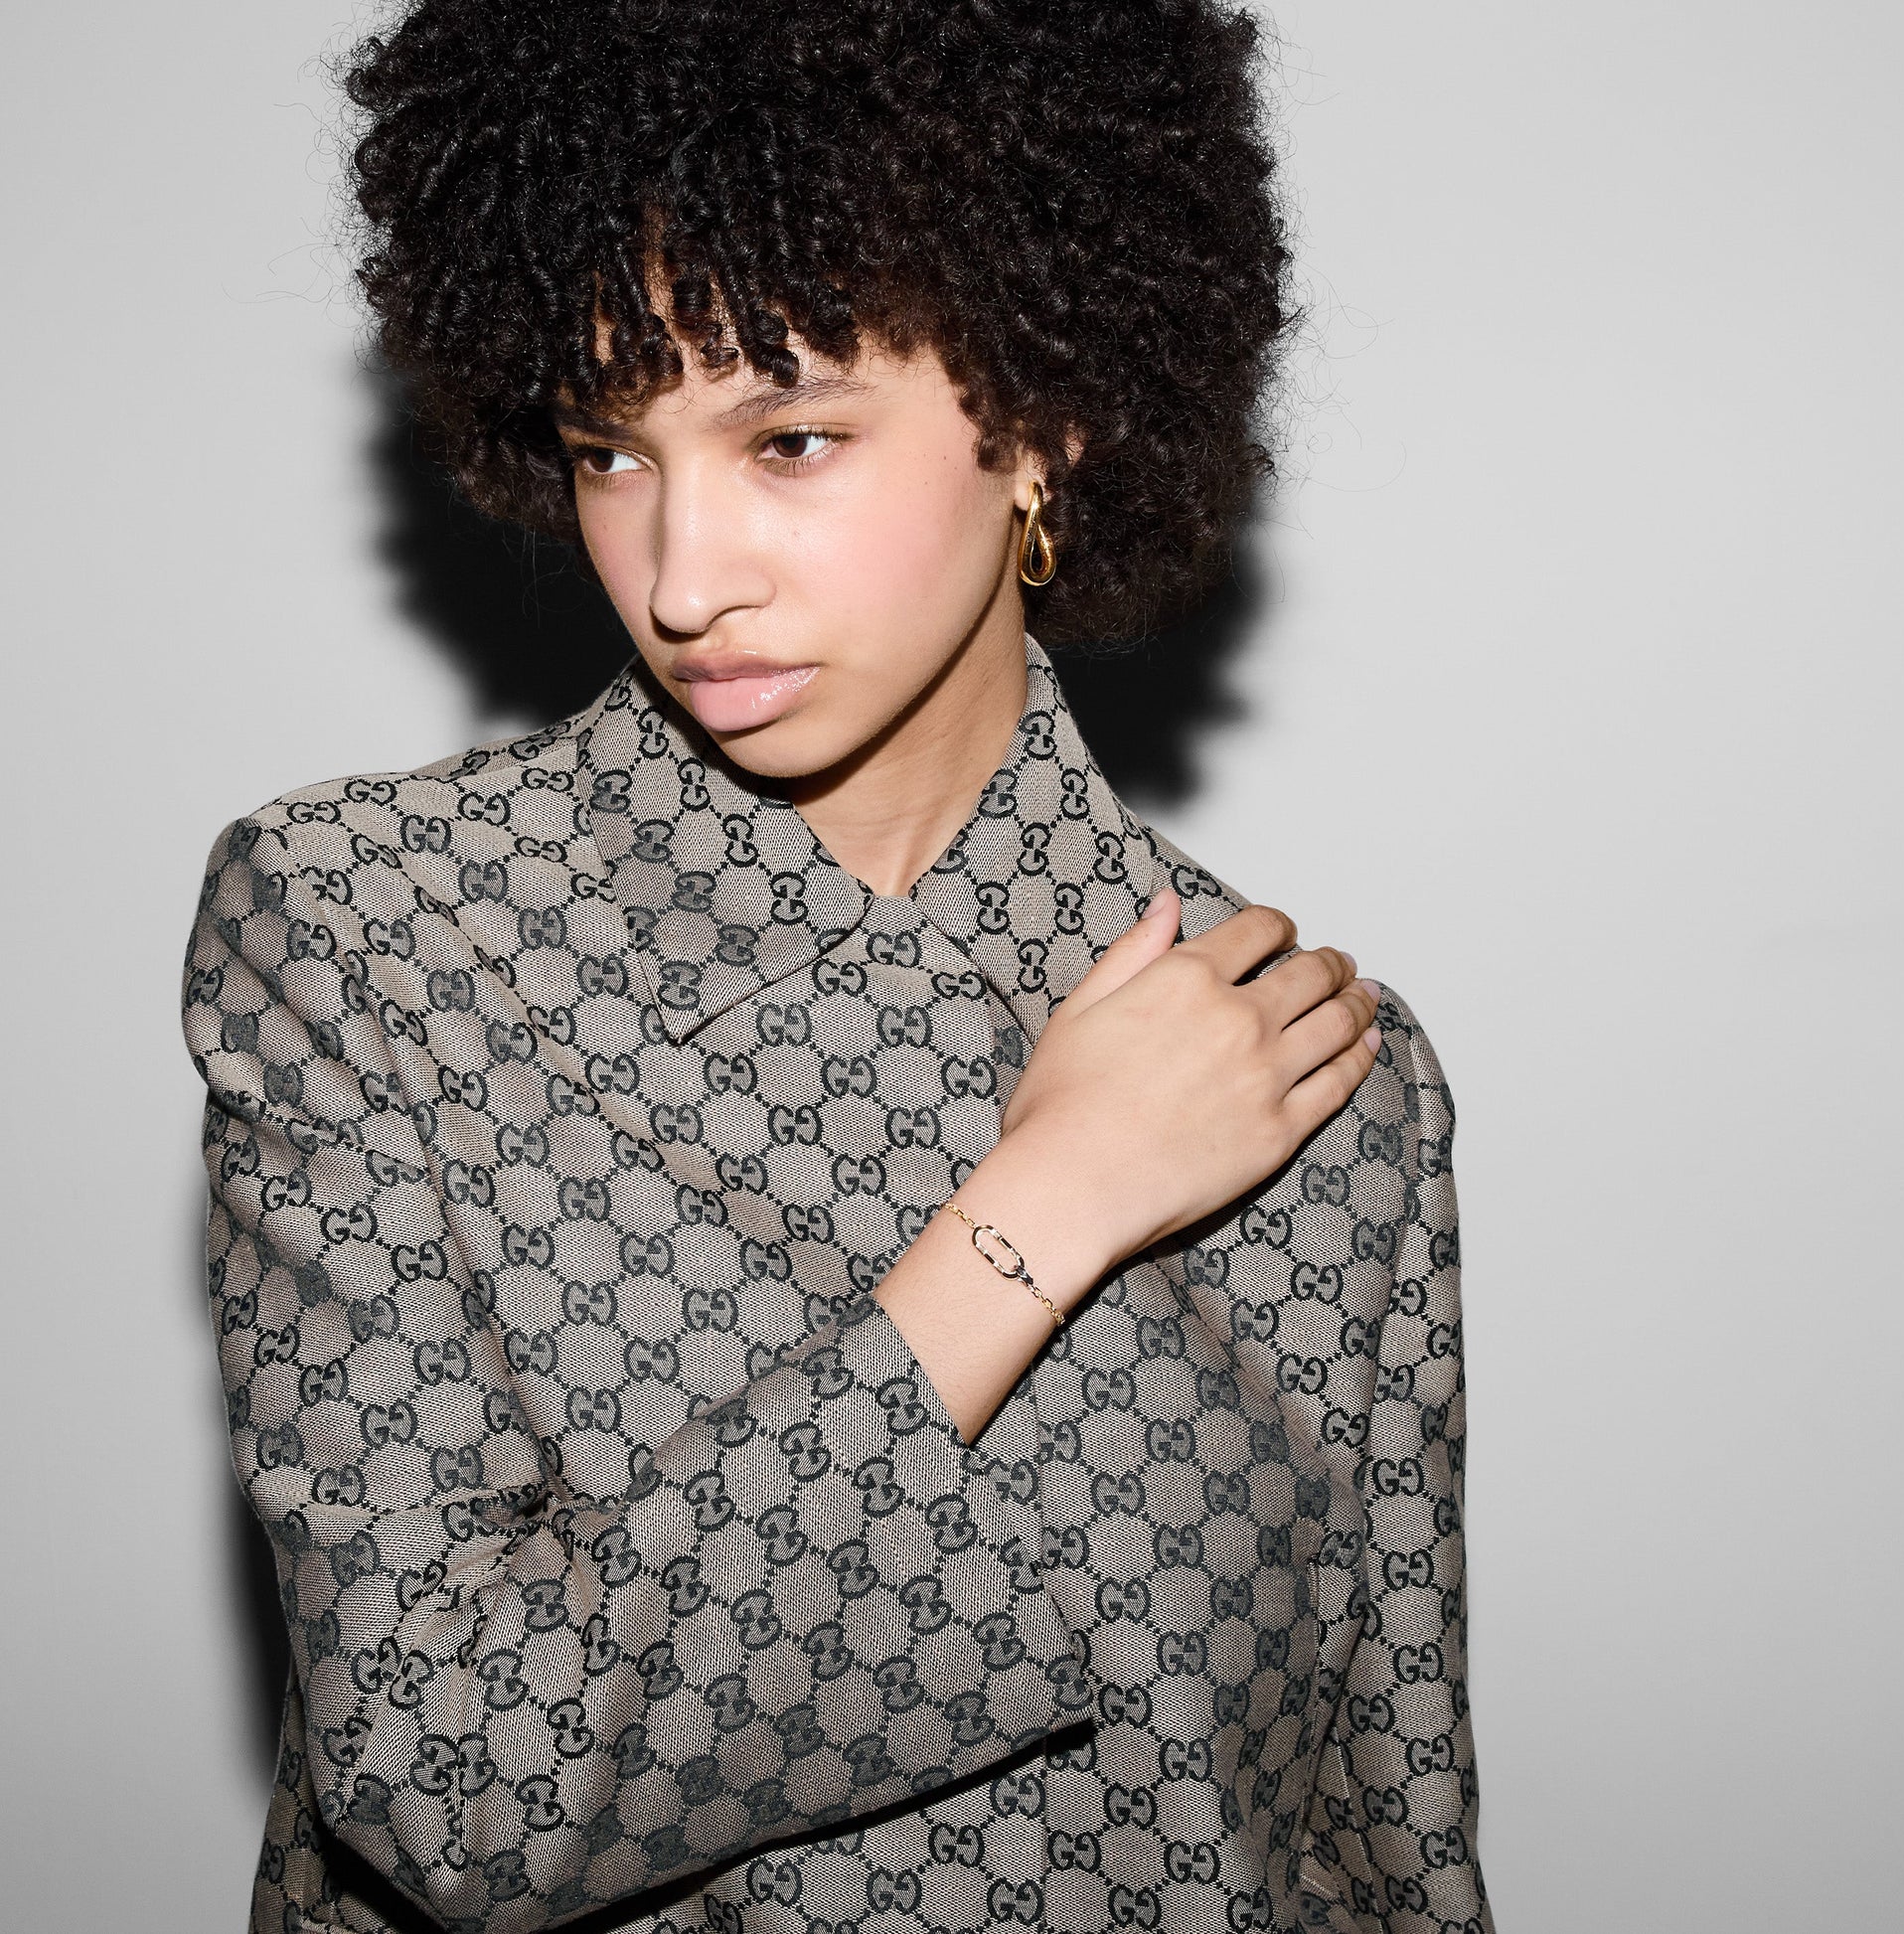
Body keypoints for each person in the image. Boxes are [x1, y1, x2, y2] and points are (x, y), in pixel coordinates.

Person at [181, 3, 1492, 1930]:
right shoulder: (377, 935)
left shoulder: (1319, 1077)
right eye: (611, 449)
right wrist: (1044, 1205)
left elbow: (1382, 1849)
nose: (681, 569)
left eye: (788, 438)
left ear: (1044, 410)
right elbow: (453, 1789)